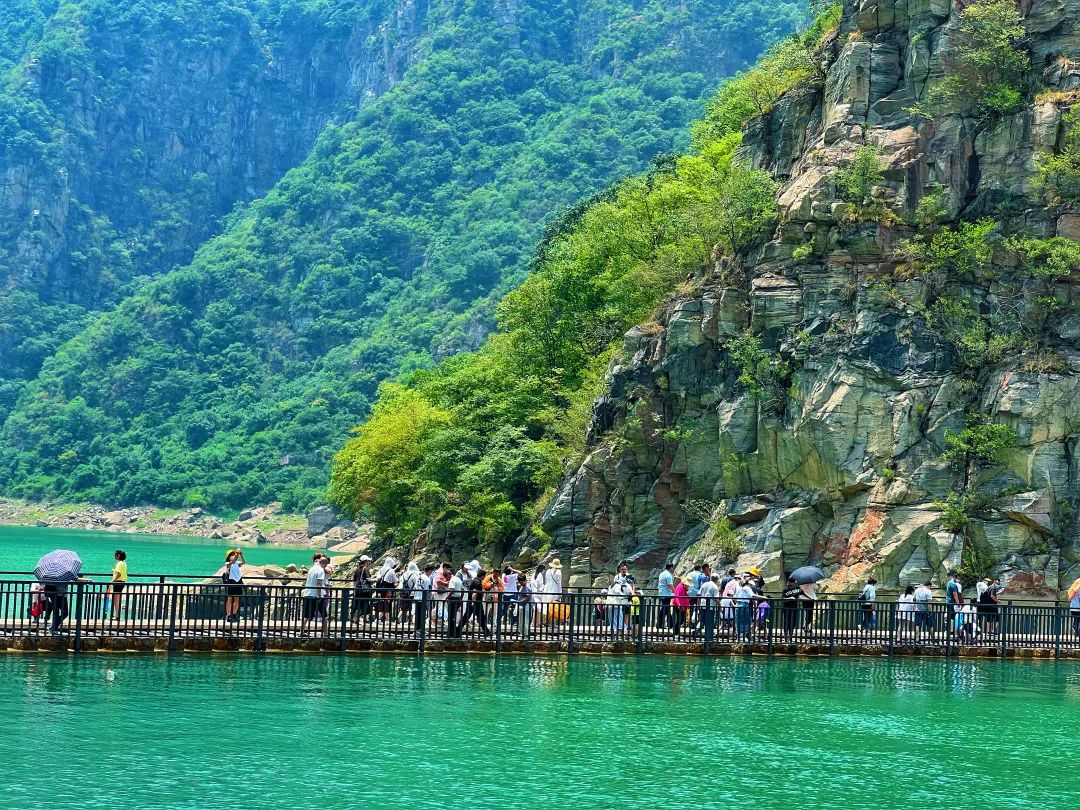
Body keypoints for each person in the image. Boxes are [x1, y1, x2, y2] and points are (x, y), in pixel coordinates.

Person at [459, 567, 490, 637]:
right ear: (482, 576)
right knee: (480, 617)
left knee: (467, 617)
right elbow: (474, 593)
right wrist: (473, 602)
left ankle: (458, 630)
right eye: (484, 577)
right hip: (476, 603)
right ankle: (487, 632)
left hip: (473, 602)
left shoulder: (474, 581)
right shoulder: (478, 583)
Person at [301, 556, 327, 637]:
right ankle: (326, 633)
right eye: (325, 565)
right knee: (325, 616)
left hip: (308, 593)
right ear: (324, 563)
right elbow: (319, 583)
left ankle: (302, 632)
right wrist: (319, 595)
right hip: (316, 595)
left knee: (306, 615)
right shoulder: (321, 570)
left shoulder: (311, 569)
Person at [223, 550, 245, 623]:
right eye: (231, 554)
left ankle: (234, 614)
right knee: (229, 599)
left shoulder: (237, 563)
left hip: (238, 581)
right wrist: (236, 554)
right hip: (231, 581)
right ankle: (228, 615)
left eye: (233, 554)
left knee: (237, 600)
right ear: (228, 556)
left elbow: (244, 562)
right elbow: (232, 562)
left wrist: (241, 555)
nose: (233, 555)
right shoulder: (227, 563)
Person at [350, 555, 373, 624]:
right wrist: (376, 580)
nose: (369, 562)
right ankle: (362, 619)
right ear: (365, 562)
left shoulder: (357, 569)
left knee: (358, 604)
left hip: (358, 590)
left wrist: (354, 590)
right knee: (365, 604)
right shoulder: (365, 569)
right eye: (368, 561)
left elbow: (354, 581)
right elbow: (368, 579)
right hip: (365, 591)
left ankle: (357, 619)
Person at [374, 557, 398, 622]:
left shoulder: (381, 569)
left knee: (382, 603)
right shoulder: (391, 570)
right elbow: (395, 580)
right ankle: (387, 619)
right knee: (388, 603)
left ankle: (379, 618)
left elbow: (378, 578)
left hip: (382, 589)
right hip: (389, 589)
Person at [781, 576, 802, 641]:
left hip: (794, 608)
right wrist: (789, 599)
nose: (789, 585)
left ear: (794, 583)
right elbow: (782, 599)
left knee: (793, 623)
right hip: (786, 608)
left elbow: (803, 594)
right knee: (786, 622)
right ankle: (785, 637)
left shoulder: (798, 588)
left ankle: (790, 637)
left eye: (791, 584)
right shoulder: (785, 590)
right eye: (789, 584)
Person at [109, 549, 128, 621]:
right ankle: (117, 615)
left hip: (118, 582)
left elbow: (119, 574)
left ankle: (117, 616)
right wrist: (114, 571)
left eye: (115, 555)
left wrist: (112, 581)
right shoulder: (123, 563)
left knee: (116, 599)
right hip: (122, 581)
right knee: (117, 598)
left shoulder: (119, 563)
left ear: (118, 555)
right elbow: (121, 572)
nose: (114, 556)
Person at [946, 571, 964, 637]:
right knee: (953, 617)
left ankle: (950, 630)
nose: (958, 579)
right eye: (957, 578)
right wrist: (958, 603)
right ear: (954, 577)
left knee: (950, 617)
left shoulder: (949, 583)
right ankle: (953, 630)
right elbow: (955, 594)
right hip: (953, 603)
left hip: (948, 602)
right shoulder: (953, 584)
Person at [657, 563, 675, 630]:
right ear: (671, 568)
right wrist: (675, 592)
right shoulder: (668, 575)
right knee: (665, 609)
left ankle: (670, 624)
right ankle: (660, 624)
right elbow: (670, 585)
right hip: (666, 594)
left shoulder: (662, 573)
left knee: (666, 609)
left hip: (662, 593)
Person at [516, 575, 533, 639]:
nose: (520, 583)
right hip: (522, 605)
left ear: (525, 580)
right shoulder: (522, 586)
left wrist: (520, 601)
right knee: (521, 620)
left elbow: (528, 597)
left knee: (525, 620)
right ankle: (522, 633)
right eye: (519, 582)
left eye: (521, 582)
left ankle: (525, 634)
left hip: (526, 606)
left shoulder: (527, 587)